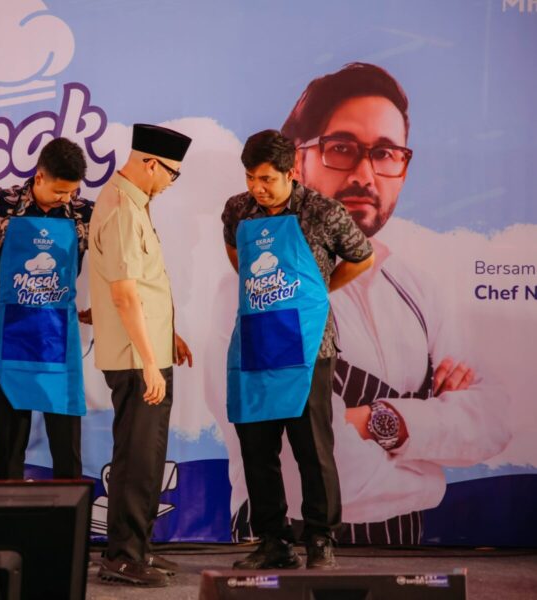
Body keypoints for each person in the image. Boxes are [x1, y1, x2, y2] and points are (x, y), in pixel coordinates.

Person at [279, 62, 511, 544]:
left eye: (385, 153)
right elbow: (307, 473)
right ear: (296, 162)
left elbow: (492, 420)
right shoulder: (266, 283)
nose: (365, 175)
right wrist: (431, 476)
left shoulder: (417, 291)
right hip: (292, 555)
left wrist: (375, 421)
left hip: (408, 558)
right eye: (341, 148)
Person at [222, 129, 374, 569]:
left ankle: (321, 538)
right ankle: (274, 541)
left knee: (312, 448)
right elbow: (236, 256)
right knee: (257, 448)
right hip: (255, 342)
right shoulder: (237, 210)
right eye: (251, 178)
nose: (257, 188)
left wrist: (319, 291)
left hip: (309, 346)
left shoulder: (323, 212)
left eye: (267, 179)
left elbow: (362, 256)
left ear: (291, 173)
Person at [0, 137, 92, 481]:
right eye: (60, 191)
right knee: (11, 437)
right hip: (13, 333)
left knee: (66, 439)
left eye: (72, 192)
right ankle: (10, 507)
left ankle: (70, 511)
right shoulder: (4, 205)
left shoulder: (84, 213)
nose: (66, 198)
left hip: (60, 335)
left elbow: (110, 265)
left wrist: (100, 306)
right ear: (39, 176)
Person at [90, 124, 194, 587]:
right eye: (171, 172)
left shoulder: (134, 204)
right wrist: (150, 362)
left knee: (149, 457)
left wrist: (168, 336)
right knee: (135, 458)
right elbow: (124, 295)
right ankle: (122, 556)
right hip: (136, 360)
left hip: (148, 349)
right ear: (150, 163)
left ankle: (140, 548)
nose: (171, 181)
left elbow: (145, 287)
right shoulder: (120, 209)